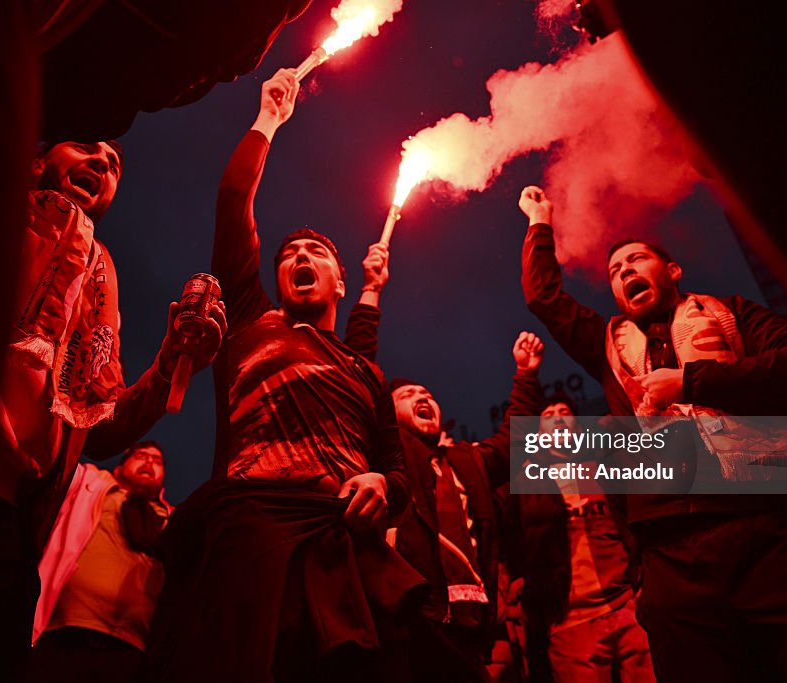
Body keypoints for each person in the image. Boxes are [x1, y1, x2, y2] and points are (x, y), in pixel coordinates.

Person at [517, 185, 787, 682]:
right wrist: (540, 221)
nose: (624, 271)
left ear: (672, 271)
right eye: (614, 272)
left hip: (775, 534)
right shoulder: (604, 344)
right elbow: (545, 297)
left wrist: (691, 381)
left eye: (637, 260)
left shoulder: (735, 313)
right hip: (674, 559)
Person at [144, 69, 423, 683]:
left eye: (316, 253)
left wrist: (381, 483)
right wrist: (268, 120)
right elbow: (232, 204)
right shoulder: (250, 324)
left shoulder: (366, 373)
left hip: (342, 544)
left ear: (340, 283)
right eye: (288, 254)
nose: (299, 256)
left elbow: (398, 473)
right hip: (250, 537)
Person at [0, 139, 225, 676]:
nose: (104, 163)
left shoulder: (99, 273)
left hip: (13, 527)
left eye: (115, 164)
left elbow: (99, 424)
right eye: (88, 147)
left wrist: (173, 362)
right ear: (39, 160)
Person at [343, 238, 545, 681]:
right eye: (409, 395)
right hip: (412, 622)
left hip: (472, 624)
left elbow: (515, 442)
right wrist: (371, 290)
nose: (423, 398)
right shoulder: (387, 452)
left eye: (428, 395)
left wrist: (526, 375)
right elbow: (356, 374)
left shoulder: (466, 461)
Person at [506, 393, 654, 683]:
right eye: (548, 415)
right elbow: (512, 541)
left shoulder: (606, 469)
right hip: (570, 620)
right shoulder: (524, 482)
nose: (559, 417)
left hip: (627, 607)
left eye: (565, 412)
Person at [27, 441, 172, 682]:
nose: (149, 462)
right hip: (64, 636)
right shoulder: (89, 486)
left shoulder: (171, 520)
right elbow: (55, 455)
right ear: (118, 469)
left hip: (131, 652)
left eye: (157, 461)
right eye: (141, 456)